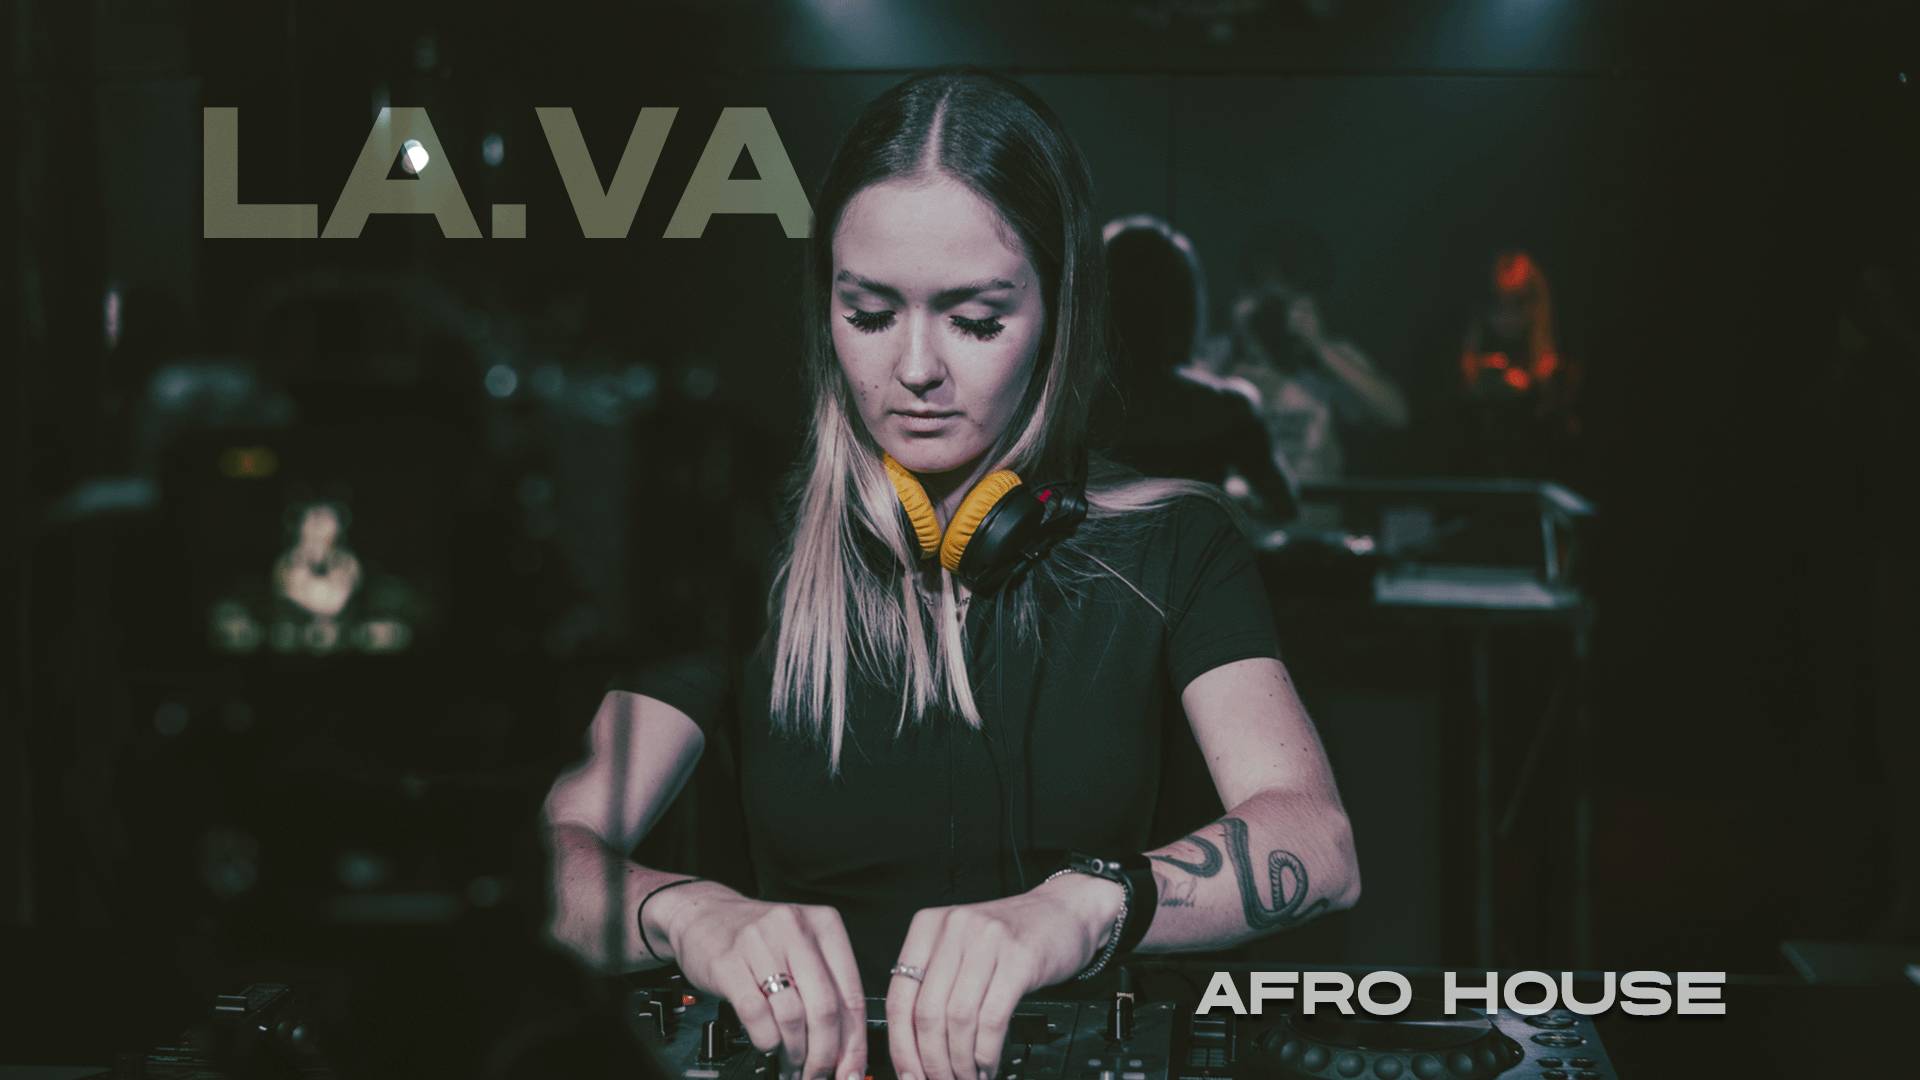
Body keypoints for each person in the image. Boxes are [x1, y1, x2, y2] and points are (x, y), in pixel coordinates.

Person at [541, 70, 1359, 1080]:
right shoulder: (743, 547)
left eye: (974, 320)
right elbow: (553, 850)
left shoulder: (1174, 543)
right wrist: (685, 911)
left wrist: (1087, 905)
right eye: (869, 313)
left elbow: (1316, 843)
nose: (916, 369)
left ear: (1059, 312)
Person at [1096, 214, 1299, 522]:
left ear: (1100, 300)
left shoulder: (1068, 407)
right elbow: (1282, 506)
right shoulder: (1228, 406)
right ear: (1186, 302)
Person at [1212, 225, 1409, 484]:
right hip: (1239, 508)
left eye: (1284, 296)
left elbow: (1396, 416)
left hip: (1314, 508)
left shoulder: (1331, 357)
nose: (1272, 310)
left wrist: (1320, 346)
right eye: (1263, 291)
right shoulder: (1220, 353)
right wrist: (1238, 346)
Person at [1454, 250, 1582, 476]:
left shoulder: (1536, 312)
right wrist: (1486, 364)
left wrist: (1531, 377)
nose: (1506, 276)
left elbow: (1544, 358)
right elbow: (1468, 358)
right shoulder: (1483, 314)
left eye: (1513, 270)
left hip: (1528, 394)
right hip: (1489, 387)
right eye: (1504, 269)